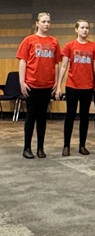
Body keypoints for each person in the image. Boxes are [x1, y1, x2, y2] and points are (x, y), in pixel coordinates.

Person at [17, 12, 61, 159]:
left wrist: (56, 82)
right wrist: (22, 82)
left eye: (48, 22)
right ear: (37, 23)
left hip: (47, 85)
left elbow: (56, 63)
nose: (46, 24)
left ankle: (40, 148)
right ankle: (27, 148)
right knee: (31, 116)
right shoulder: (29, 40)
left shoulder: (54, 41)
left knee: (42, 117)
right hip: (32, 84)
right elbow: (22, 61)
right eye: (43, 21)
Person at [58, 19, 95, 156]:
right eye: (82, 27)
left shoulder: (94, 47)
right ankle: (66, 145)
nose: (85, 30)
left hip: (87, 86)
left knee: (85, 116)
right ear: (76, 29)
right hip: (72, 86)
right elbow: (64, 66)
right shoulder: (69, 46)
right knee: (70, 115)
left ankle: (82, 145)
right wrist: (58, 85)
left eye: (87, 28)